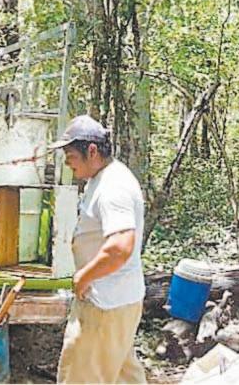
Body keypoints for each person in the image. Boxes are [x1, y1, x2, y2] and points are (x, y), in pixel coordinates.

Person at [49, 115, 147, 384]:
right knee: (124, 376)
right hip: (119, 302)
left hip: (104, 305)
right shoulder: (104, 177)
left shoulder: (113, 188)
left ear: (92, 151)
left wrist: (84, 276)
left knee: (80, 376)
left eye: (71, 156)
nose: (67, 163)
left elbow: (120, 247)